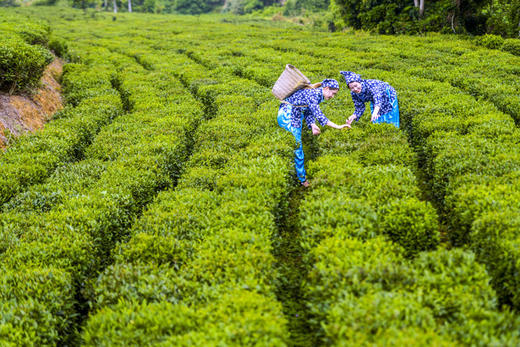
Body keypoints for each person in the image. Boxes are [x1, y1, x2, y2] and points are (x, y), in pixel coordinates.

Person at [277, 79, 349, 187]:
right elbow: (319, 115)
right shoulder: (313, 94)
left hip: (295, 116)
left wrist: (312, 125)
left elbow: (308, 111)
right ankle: (302, 179)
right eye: (333, 94)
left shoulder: (316, 95)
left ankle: (297, 173)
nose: (332, 97)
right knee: (298, 148)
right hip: (288, 116)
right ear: (326, 88)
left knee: (296, 145)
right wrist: (338, 126)